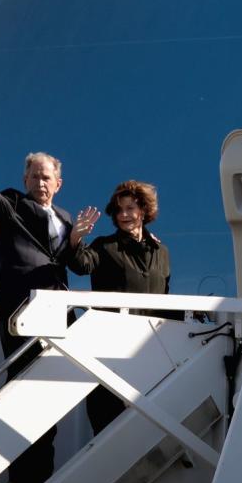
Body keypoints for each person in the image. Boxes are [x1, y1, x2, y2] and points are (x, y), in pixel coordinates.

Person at [0, 120, 74, 483]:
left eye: (47, 178)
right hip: (19, 311)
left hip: (56, 315)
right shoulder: (13, 205)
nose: (40, 183)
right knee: (22, 389)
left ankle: (40, 477)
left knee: (48, 395)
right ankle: (20, 479)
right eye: (34, 176)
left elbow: (74, 261)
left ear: (58, 184)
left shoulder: (67, 219)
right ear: (25, 180)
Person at [67, 180, 175, 434]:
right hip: (111, 348)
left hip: (151, 349)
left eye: (130, 208)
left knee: (149, 423)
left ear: (144, 210)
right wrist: (75, 238)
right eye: (119, 210)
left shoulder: (162, 252)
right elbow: (81, 265)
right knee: (108, 421)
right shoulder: (105, 246)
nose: (124, 215)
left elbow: (166, 298)